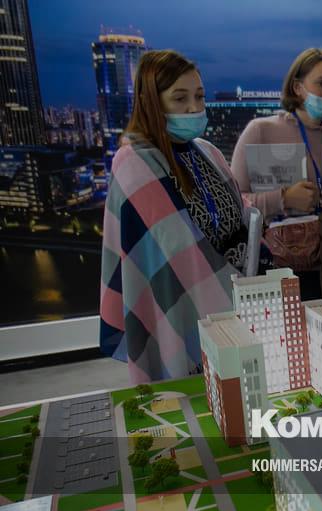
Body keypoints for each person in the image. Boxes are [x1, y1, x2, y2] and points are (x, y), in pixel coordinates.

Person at [100, 50, 250, 383]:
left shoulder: (208, 152)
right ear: (151, 102)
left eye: (199, 96)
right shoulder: (134, 161)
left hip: (240, 295)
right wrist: (230, 291)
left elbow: (238, 214)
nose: (194, 108)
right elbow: (175, 249)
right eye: (180, 98)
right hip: (177, 303)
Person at [232, 48, 322, 308]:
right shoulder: (261, 132)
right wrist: (283, 199)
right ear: (298, 87)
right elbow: (235, 204)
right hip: (285, 266)